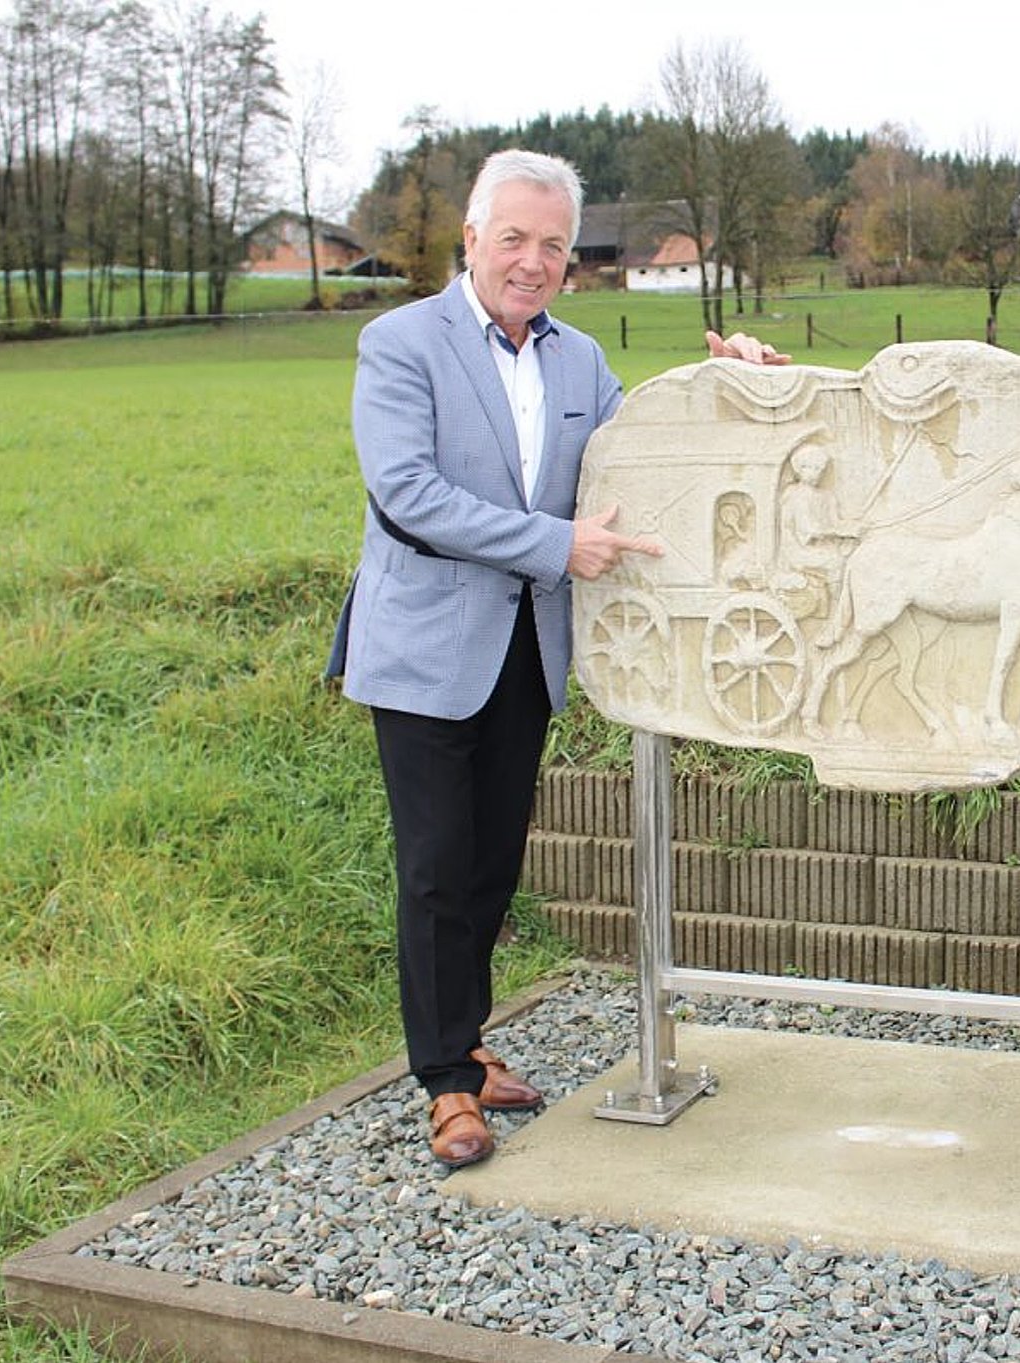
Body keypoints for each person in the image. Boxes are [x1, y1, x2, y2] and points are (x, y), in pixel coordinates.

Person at [327, 149, 784, 1169]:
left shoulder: (577, 361)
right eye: (513, 239)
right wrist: (554, 546)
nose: (531, 261)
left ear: (570, 258)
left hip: (526, 652)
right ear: (472, 238)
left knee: (491, 862)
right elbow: (408, 494)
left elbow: (642, 454)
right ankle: (446, 1082)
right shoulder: (399, 343)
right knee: (437, 867)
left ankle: (466, 1040)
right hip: (425, 648)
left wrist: (729, 385)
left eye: (552, 246)